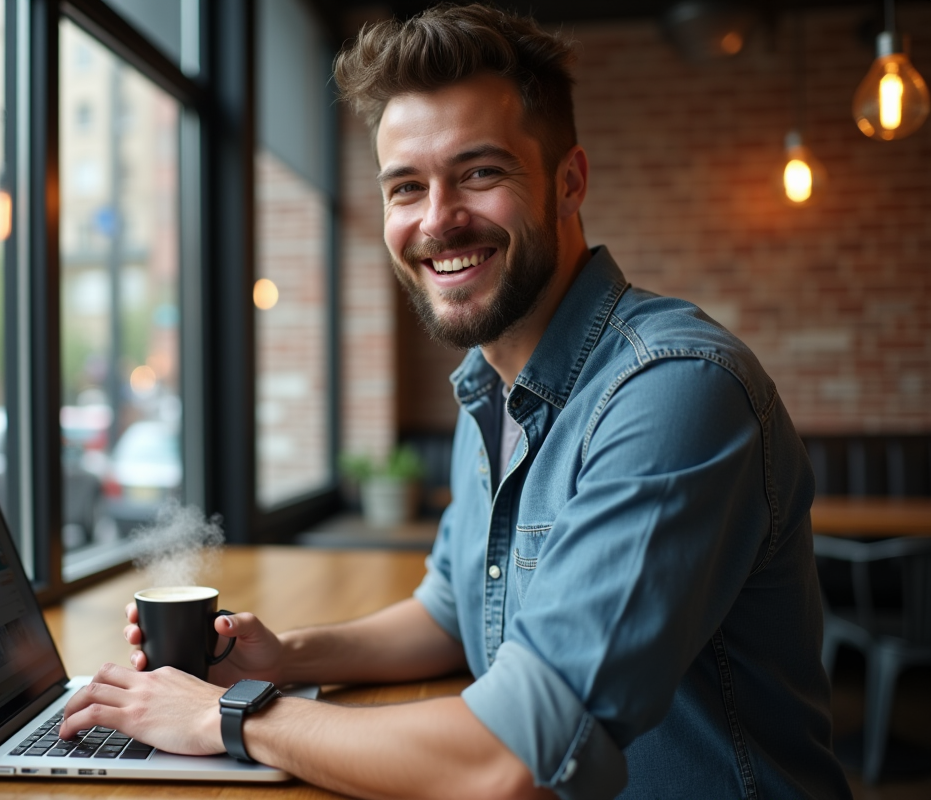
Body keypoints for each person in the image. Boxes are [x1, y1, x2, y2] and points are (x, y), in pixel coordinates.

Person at [61, 5, 851, 798]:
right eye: (407, 187)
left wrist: (227, 718)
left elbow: (511, 758)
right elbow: (450, 611)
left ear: (569, 181)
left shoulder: (673, 389)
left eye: (480, 173)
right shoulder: (495, 385)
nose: (437, 220)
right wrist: (283, 657)